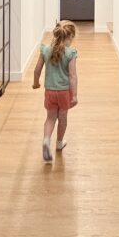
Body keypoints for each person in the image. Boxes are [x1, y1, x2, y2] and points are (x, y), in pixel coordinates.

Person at [32, 20, 79, 162]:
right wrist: (75, 95)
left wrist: (36, 83)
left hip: (50, 91)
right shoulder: (71, 53)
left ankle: (46, 140)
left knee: (50, 117)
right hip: (64, 92)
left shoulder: (45, 50)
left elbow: (37, 70)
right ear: (70, 37)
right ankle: (59, 143)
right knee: (62, 118)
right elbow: (72, 76)